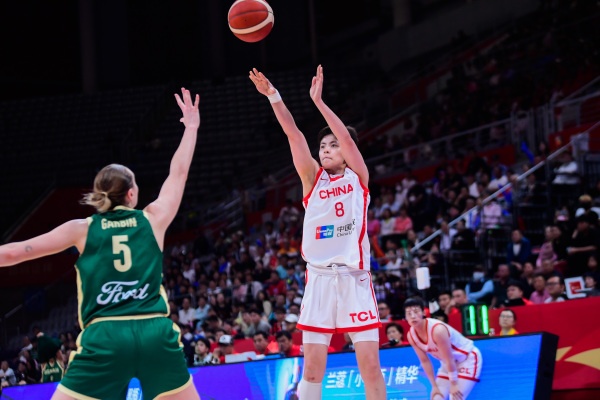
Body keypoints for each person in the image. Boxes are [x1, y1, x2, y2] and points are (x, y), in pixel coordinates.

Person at [0, 88, 201, 400]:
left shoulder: (82, 229)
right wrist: (191, 128)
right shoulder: (153, 219)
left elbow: (14, 252)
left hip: (105, 336)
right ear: (131, 194)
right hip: (154, 332)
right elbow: (179, 174)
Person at [250, 65, 386, 400]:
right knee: (311, 369)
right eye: (322, 145)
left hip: (354, 279)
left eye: (332, 145)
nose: (325, 149)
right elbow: (294, 135)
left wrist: (319, 102)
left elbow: (347, 139)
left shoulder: (358, 177)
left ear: (346, 152)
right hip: (319, 280)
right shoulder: (312, 179)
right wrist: (274, 96)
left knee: (369, 366)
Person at [404, 297, 482, 400]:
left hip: (467, 359)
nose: (413, 316)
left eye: (416, 311)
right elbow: (425, 361)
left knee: (455, 397)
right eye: (409, 313)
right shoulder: (411, 336)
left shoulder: (437, 330)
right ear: (405, 317)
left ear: (423, 312)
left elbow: (449, 358)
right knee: (436, 397)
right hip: (447, 364)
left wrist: (454, 383)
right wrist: (434, 386)